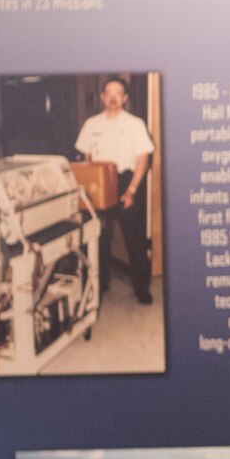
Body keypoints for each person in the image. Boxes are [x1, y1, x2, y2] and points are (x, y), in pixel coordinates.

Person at [73, 77, 155, 305]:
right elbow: (86, 158)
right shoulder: (91, 124)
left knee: (135, 240)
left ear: (125, 98)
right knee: (96, 237)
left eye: (118, 93)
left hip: (126, 182)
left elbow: (143, 161)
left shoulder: (135, 124)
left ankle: (142, 289)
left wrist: (131, 191)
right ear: (102, 97)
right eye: (109, 92)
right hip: (99, 183)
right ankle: (98, 286)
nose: (113, 97)